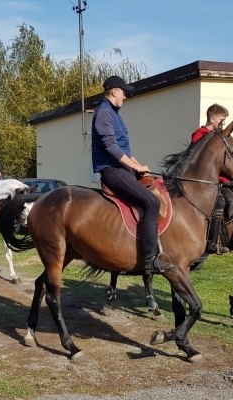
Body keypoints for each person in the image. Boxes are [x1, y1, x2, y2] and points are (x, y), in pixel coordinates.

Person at [92, 75, 174, 275]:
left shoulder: (115, 113)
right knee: (151, 203)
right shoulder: (104, 113)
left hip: (123, 168)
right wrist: (135, 168)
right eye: (124, 92)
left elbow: (126, 150)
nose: (125, 96)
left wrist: (140, 166)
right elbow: (111, 147)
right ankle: (149, 260)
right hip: (112, 170)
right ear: (114, 91)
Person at [192, 103, 233, 256]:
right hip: (202, 182)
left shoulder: (218, 136)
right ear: (212, 118)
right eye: (221, 120)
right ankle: (212, 242)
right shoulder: (200, 134)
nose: (223, 123)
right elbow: (202, 163)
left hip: (218, 180)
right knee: (220, 201)